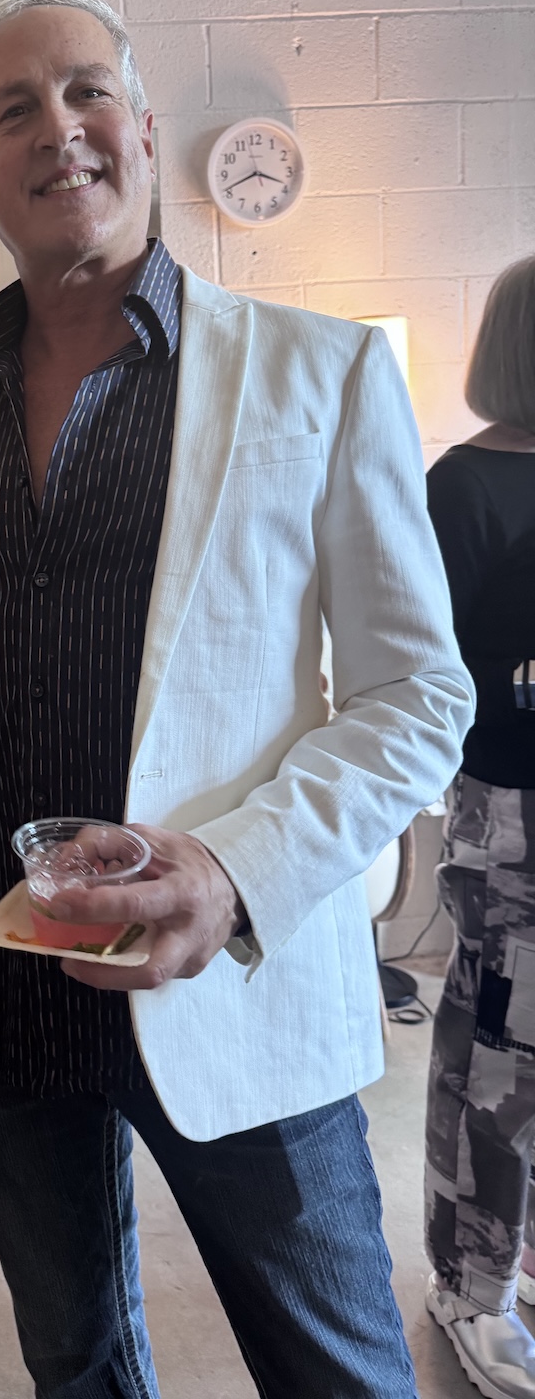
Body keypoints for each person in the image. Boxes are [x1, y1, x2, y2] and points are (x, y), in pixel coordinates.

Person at [0, 0, 474, 1399]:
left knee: (342, 1373)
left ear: (147, 131)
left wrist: (232, 871)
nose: (59, 129)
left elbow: (418, 694)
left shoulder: (321, 372)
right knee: (78, 1367)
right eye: (15, 110)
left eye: (87, 91)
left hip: (233, 972)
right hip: (2, 998)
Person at [423, 255, 535, 1399]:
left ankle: (516, 1258)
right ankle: (473, 1281)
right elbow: (435, 676)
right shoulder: (462, 487)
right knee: (500, 1060)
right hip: (509, 817)